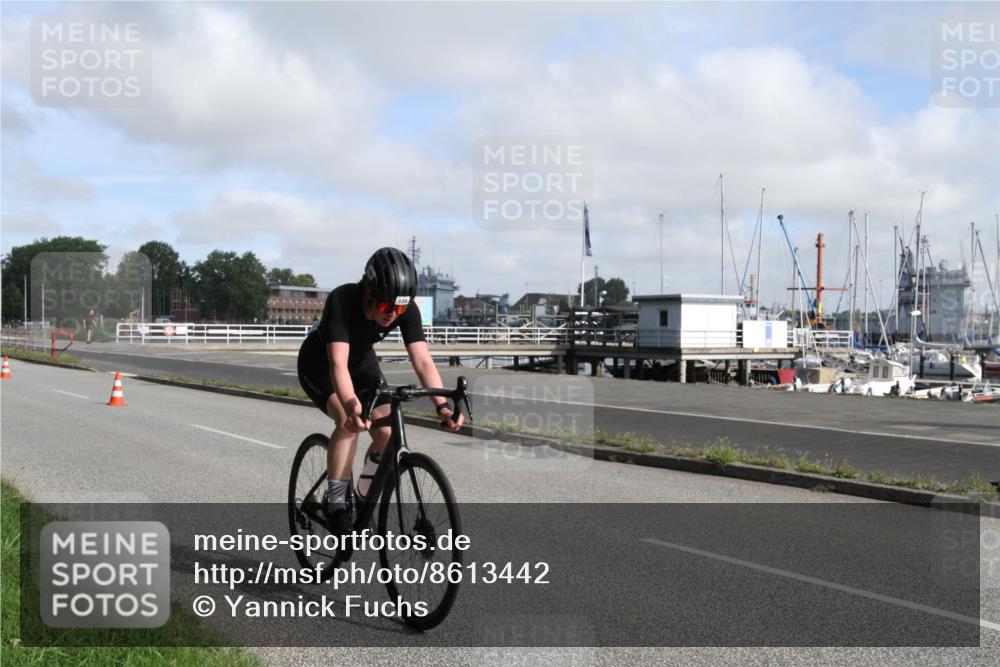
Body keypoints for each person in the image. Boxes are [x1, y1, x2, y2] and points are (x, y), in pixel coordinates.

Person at [297, 247, 464, 537]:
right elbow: (337, 364)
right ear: (369, 292)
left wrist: (443, 407)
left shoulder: (402, 308)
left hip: (362, 362)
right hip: (320, 365)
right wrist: (351, 405)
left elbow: (422, 360)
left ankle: (362, 496)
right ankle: (336, 503)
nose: (393, 316)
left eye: (400, 309)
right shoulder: (342, 300)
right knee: (348, 424)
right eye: (387, 308)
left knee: (386, 434)